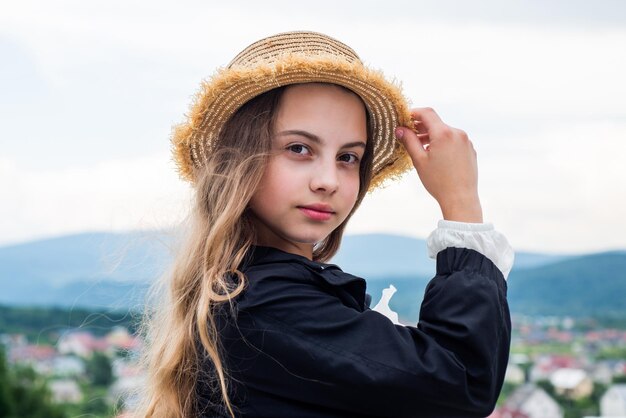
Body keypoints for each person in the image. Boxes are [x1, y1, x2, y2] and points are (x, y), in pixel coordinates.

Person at [136, 31, 514, 418]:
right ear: (237, 161)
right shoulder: (263, 305)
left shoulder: (252, 294)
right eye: (299, 148)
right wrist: (462, 205)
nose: (328, 180)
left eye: (348, 157)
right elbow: (461, 381)